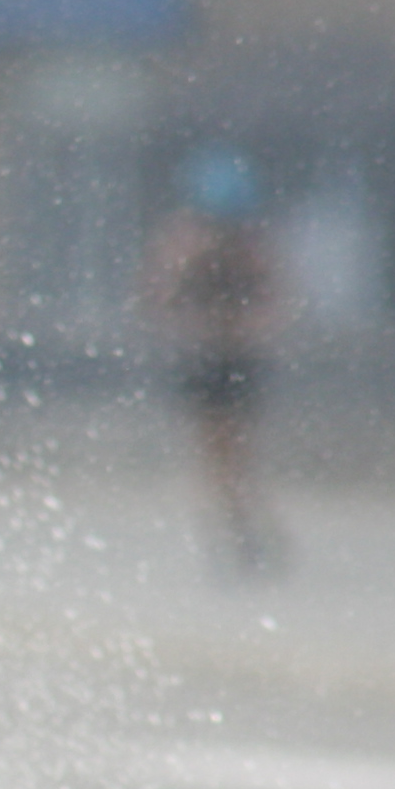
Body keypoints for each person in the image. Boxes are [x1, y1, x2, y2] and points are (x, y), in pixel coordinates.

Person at [140, 148, 289, 578]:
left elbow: (273, 302)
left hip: (233, 359)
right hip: (207, 358)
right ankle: (232, 524)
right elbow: (159, 297)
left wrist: (241, 330)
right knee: (218, 450)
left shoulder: (250, 247)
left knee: (230, 449)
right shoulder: (185, 242)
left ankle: (238, 522)